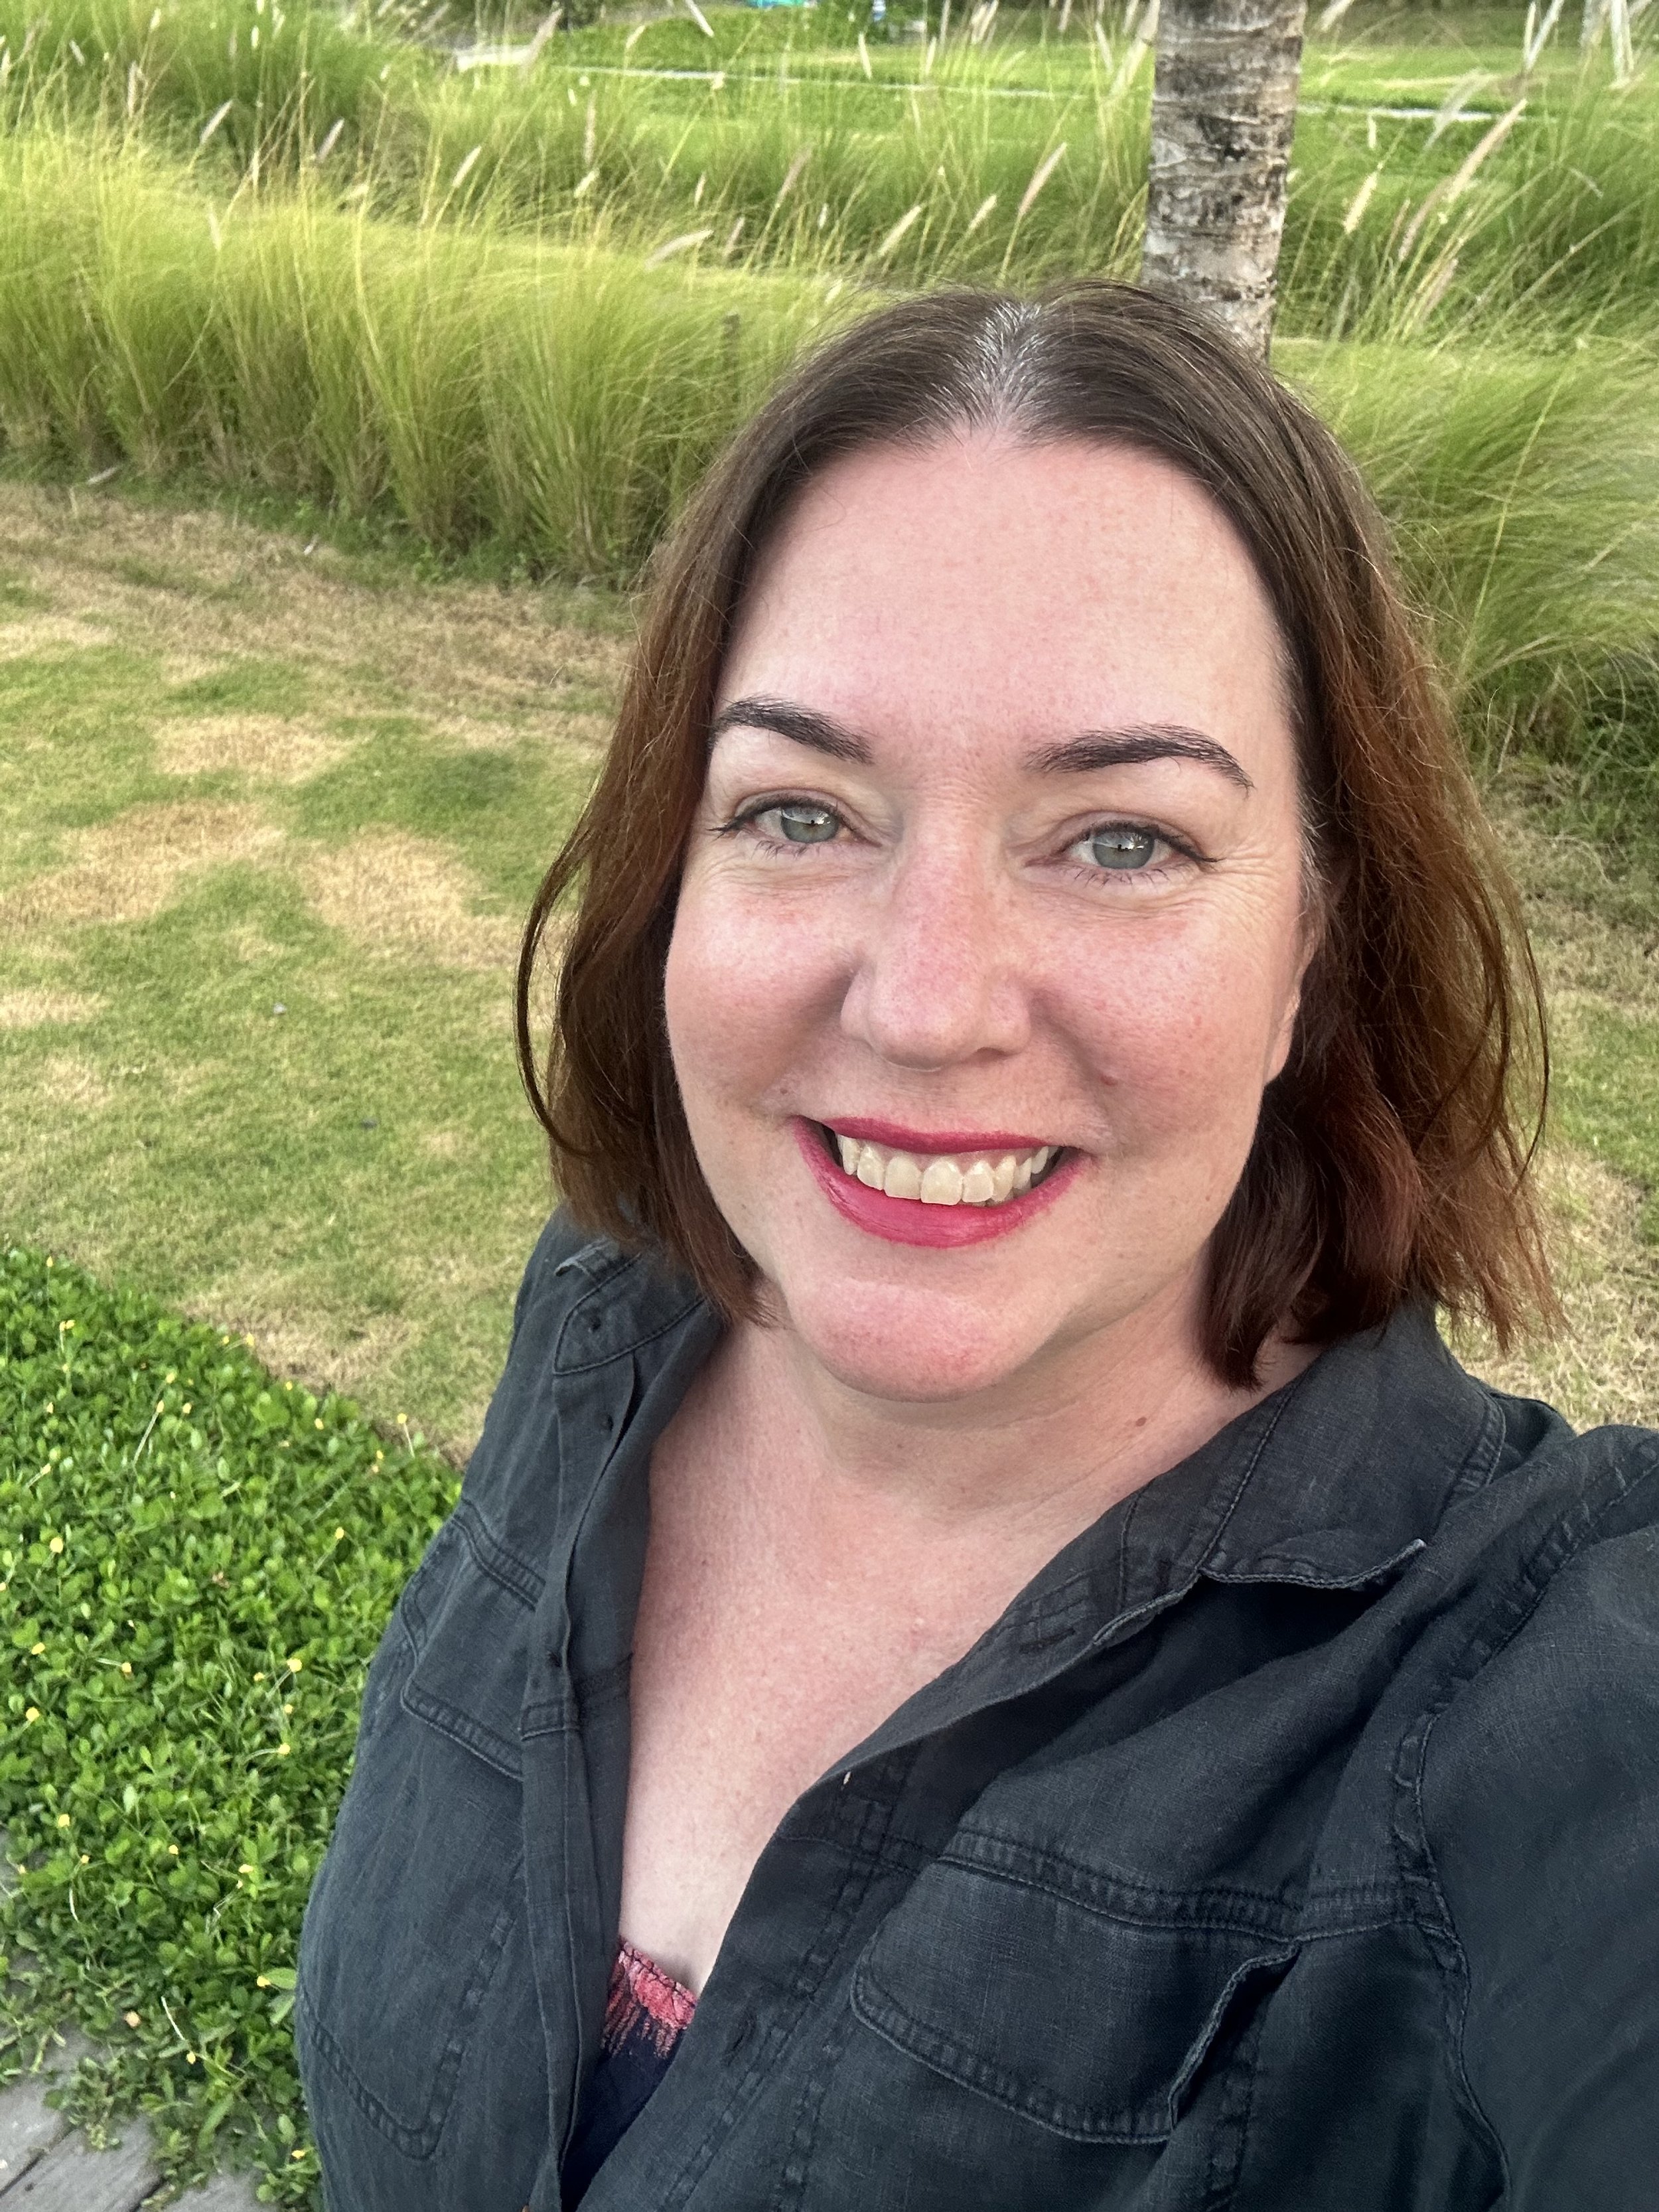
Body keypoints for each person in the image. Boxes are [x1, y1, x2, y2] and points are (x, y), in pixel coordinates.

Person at [294, 283, 1659, 2212]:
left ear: (1311, 945)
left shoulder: (1531, 1703)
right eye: (800, 811)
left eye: (1121, 840)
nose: (928, 1007)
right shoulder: (606, 1318)